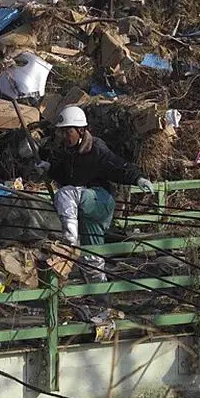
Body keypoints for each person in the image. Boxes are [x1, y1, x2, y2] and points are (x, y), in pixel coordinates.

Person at [39, 105, 154, 280]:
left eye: (68, 131)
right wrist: (49, 169)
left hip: (100, 200)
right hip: (86, 212)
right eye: (62, 132)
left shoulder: (96, 148)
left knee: (66, 194)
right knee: (92, 261)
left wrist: (138, 178)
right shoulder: (68, 153)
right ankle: (100, 304)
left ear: (80, 130)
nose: (64, 136)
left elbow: (116, 165)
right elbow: (64, 175)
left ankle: (69, 240)